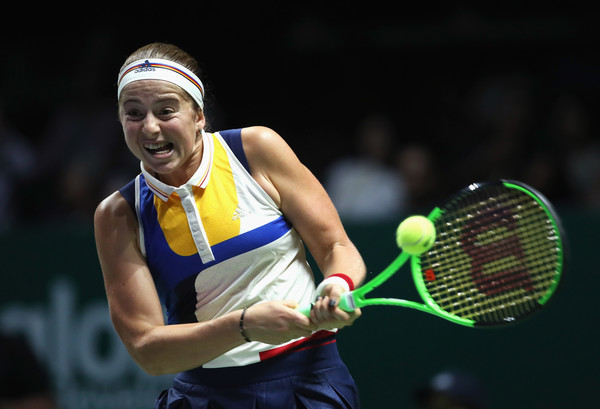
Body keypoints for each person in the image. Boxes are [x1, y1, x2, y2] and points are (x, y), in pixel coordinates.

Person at [94, 42, 366, 408]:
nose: (151, 128)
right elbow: (148, 351)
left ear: (199, 116)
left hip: (308, 383)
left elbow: (338, 249)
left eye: (166, 110)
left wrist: (337, 283)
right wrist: (244, 326)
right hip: (206, 396)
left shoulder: (255, 150)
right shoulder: (118, 215)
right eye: (134, 113)